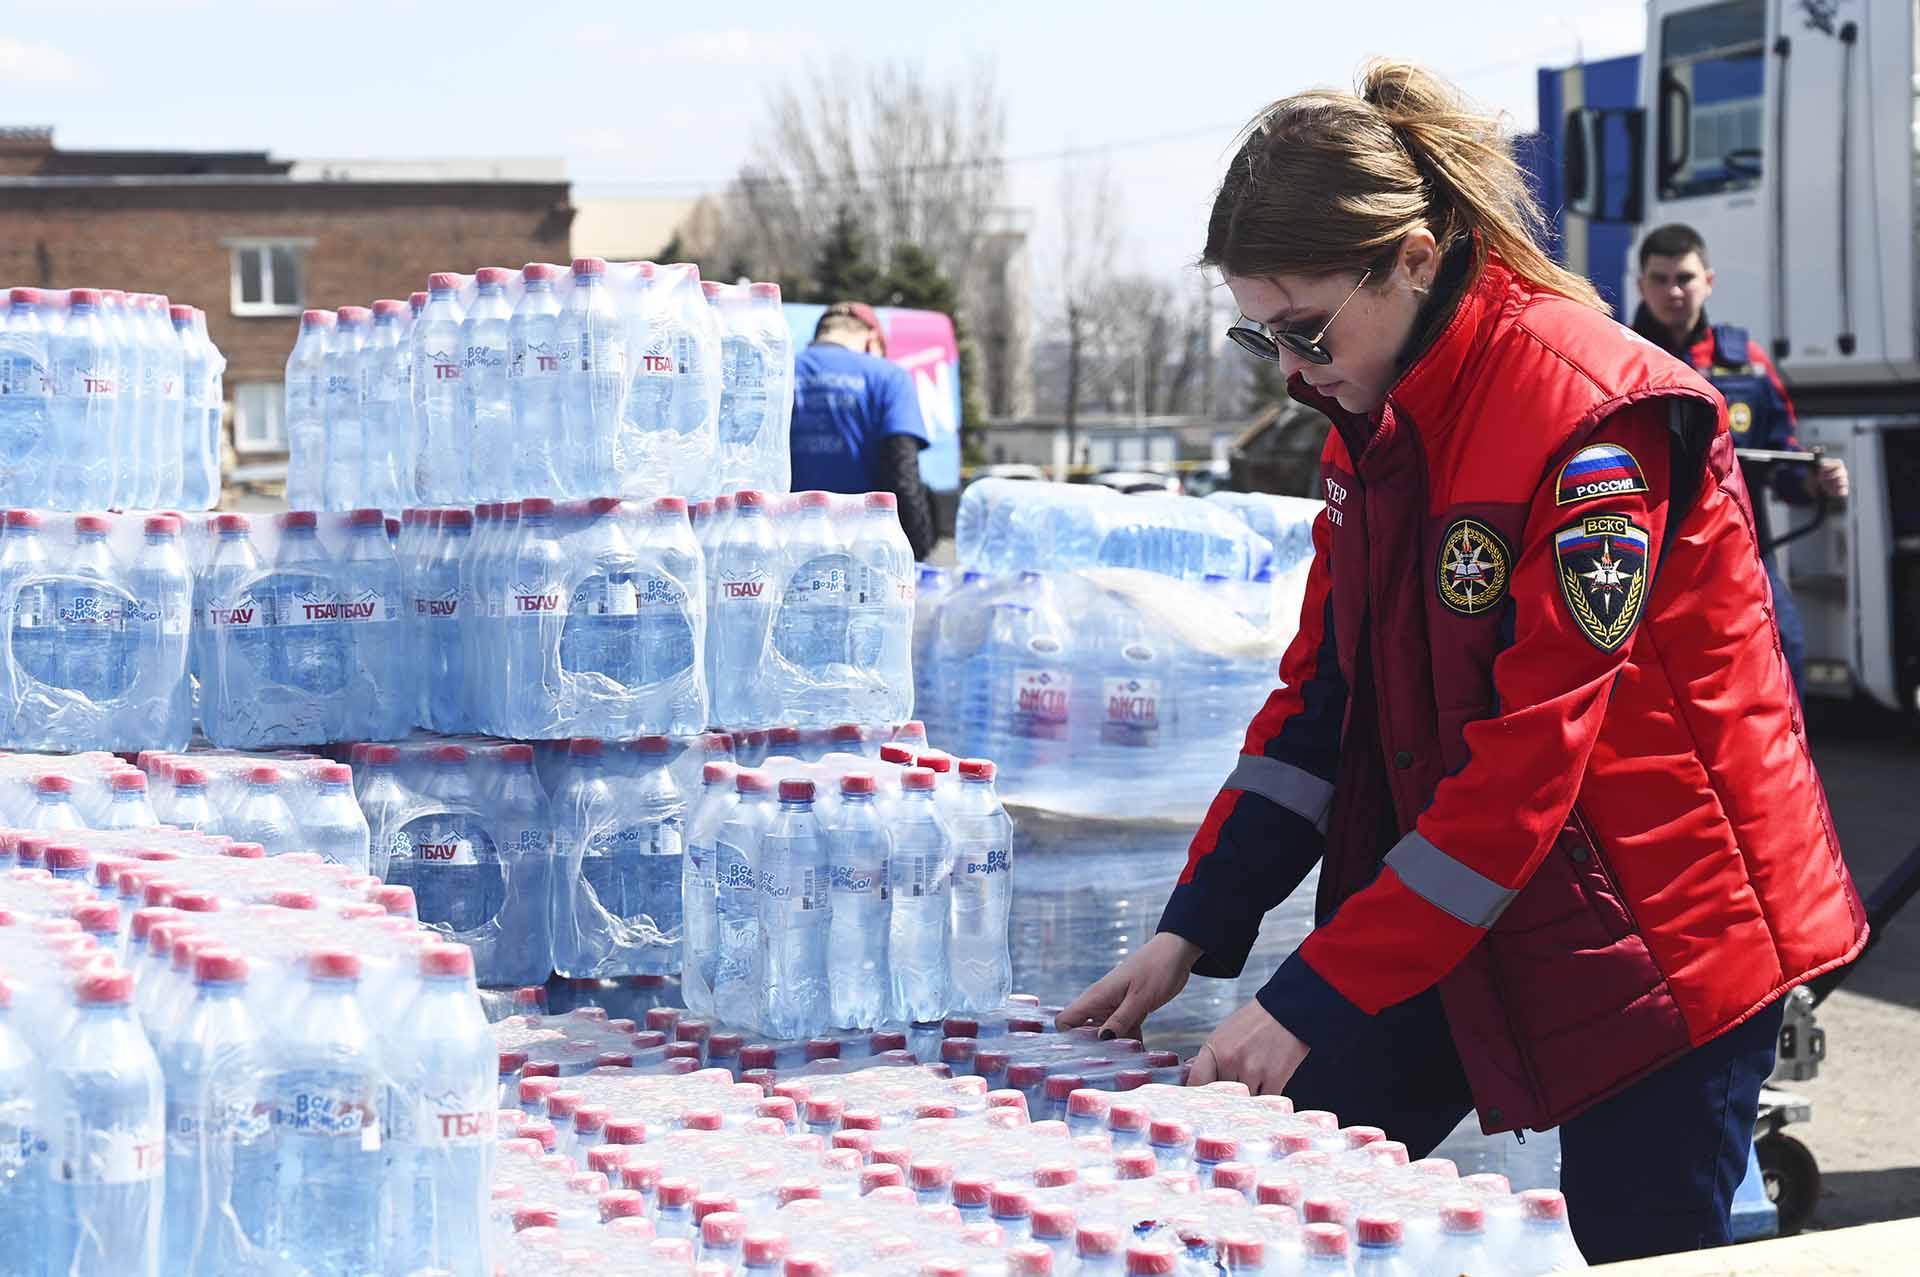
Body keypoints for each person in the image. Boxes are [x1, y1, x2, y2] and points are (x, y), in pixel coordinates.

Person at [1059, 61, 1866, 1266]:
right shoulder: (1374, 428)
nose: (1289, 369)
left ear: (1415, 260)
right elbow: (1321, 704)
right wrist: (1194, 923)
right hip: (1495, 908)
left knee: (1639, 1243)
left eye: (1305, 328)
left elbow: (1527, 766)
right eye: (1259, 334)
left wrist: (1313, 996)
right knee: (1276, 1175)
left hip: (1665, 943)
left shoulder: (1595, 419)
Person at [1630, 222, 1849, 698]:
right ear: (1640, 284)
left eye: (1684, 278)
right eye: (1660, 279)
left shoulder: (1746, 362)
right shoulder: (1619, 358)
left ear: (1708, 281)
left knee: (1781, 658)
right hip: (1648, 556)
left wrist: (1816, 483)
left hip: (1741, 552)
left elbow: (1783, 459)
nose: (1673, 291)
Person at [789, 301, 937, 559]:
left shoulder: (779, 372)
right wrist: (916, 552)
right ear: (872, 340)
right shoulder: (888, 377)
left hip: (787, 544)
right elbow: (903, 475)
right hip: (863, 551)